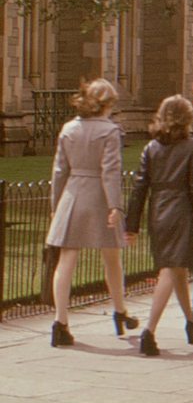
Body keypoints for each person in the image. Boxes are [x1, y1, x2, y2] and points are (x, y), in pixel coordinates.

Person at [46, 78, 137, 347]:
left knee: (66, 260)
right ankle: (120, 312)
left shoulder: (68, 128)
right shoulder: (110, 131)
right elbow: (110, 172)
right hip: (98, 195)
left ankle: (60, 321)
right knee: (112, 258)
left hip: (72, 194)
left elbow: (59, 171)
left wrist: (56, 206)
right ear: (107, 104)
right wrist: (115, 206)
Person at [124, 95, 193, 356]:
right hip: (182, 211)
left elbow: (139, 188)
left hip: (158, 211)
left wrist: (132, 224)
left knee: (178, 270)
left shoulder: (151, 148)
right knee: (170, 270)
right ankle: (149, 331)